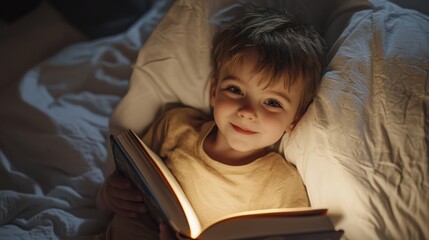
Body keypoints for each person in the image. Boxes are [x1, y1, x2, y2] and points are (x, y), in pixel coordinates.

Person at [95, 6, 328, 239]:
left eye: (272, 103)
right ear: (214, 92)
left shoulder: (281, 185)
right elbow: (113, 200)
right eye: (235, 90)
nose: (247, 112)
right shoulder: (176, 126)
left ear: (294, 120)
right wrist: (109, 195)